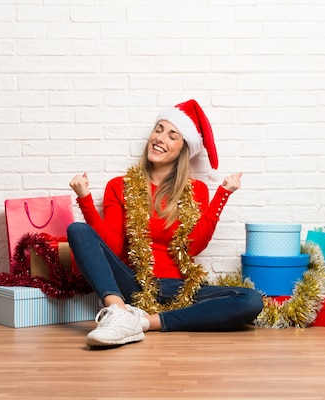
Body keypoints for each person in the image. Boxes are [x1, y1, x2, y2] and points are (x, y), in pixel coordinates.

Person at [67, 99, 263, 347]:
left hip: (179, 287)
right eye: (158, 129)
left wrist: (222, 194)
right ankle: (119, 311)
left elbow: (193, 247)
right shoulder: (119, 186)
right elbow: (114, 248)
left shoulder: (195, 190)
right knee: (77, 230)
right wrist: (84, 198)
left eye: (172, 135)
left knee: (250, 300)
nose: (160, 138)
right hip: (133, 283)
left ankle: (144, 322)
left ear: (183, 149)